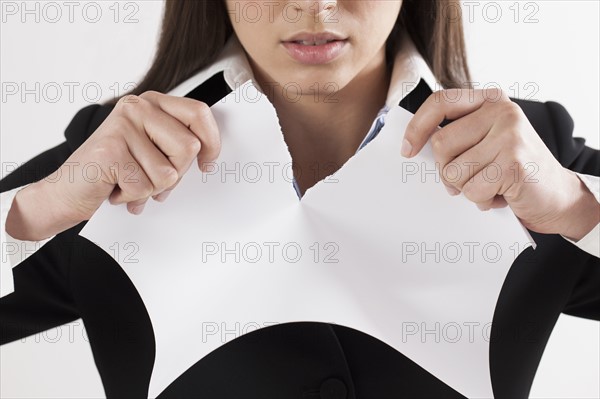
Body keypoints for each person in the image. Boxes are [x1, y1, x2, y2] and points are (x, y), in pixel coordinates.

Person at [1, 1, 598, 398]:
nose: (315, 4)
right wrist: (41, 208)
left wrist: (577, 208)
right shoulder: (110, 158)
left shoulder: (532, 156)